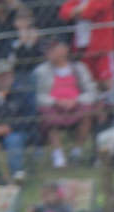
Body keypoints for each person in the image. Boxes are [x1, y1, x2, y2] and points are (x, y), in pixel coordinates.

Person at [32, 38, 99, 168]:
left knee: (87, 113)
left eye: (53, 49)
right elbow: (38, 95)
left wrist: (76, 100)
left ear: (64, 50)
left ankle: (77, 151)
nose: (49, 53)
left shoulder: (79, 68)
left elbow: (91, 90)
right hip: (54, 106)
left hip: (76, 104)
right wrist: (56, 101)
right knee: (48, 117)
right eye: (48, 51)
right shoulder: (41, 71)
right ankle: (58, 154)